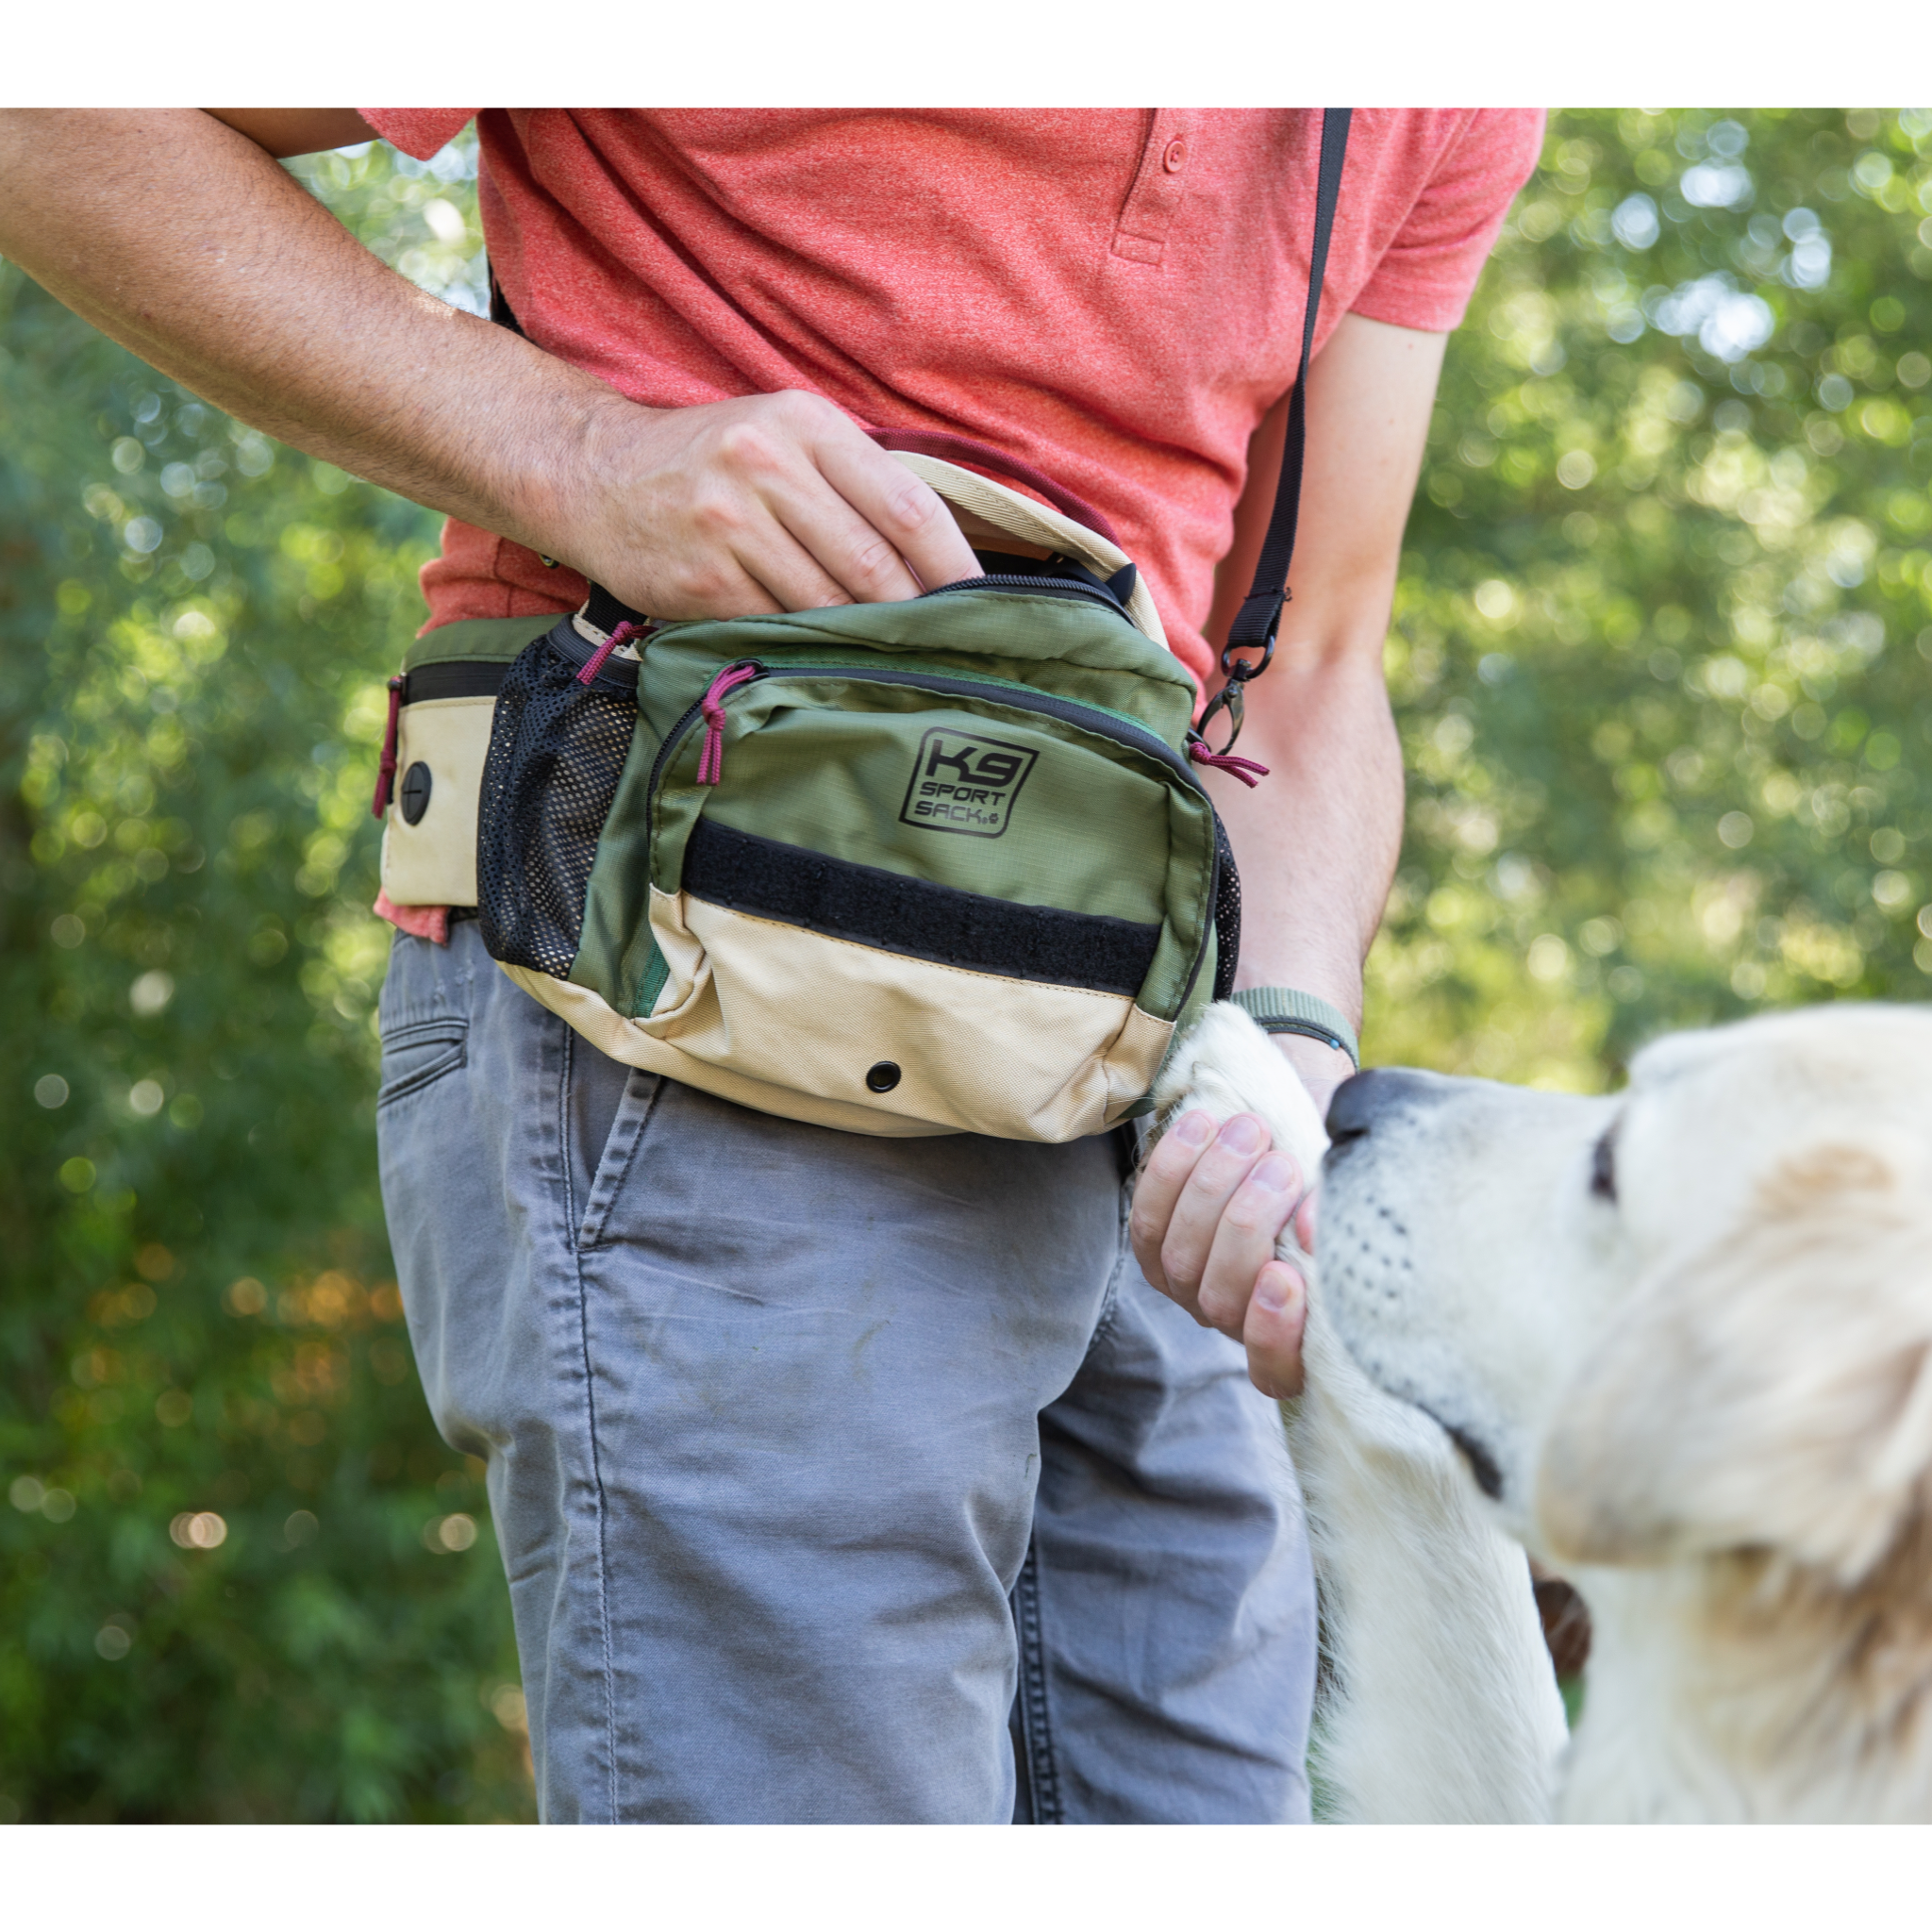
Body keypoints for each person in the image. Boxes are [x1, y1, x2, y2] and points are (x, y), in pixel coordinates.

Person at [0, 106, 1542, 1823]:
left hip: (1138, 1056)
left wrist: (1294, 1042)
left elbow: (1311, 650)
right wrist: (581, 453)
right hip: (685, 990)